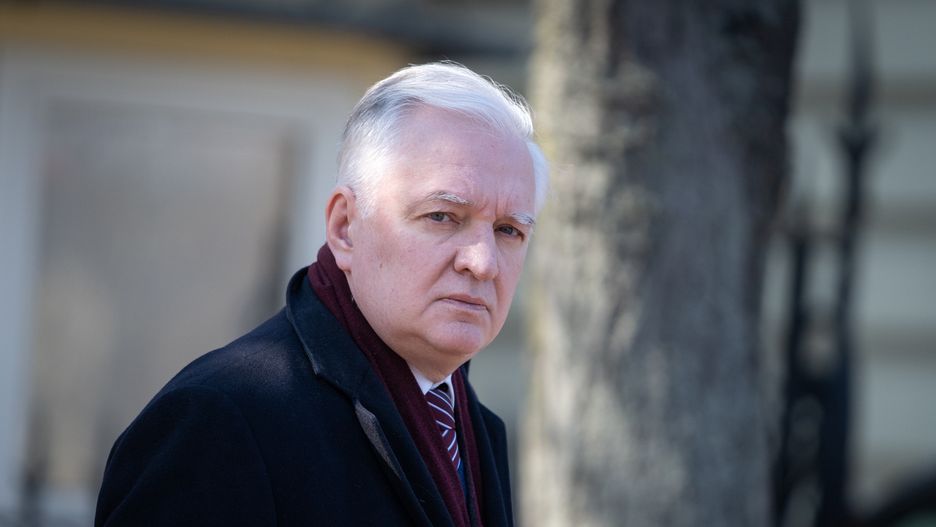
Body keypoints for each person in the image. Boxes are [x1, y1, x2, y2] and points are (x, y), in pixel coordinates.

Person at [94, 62, 549, 527]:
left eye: (508, 230)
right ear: (345, 228)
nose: (483, 262)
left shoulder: (475, 429)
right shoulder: (219, 420)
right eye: (442, 216)